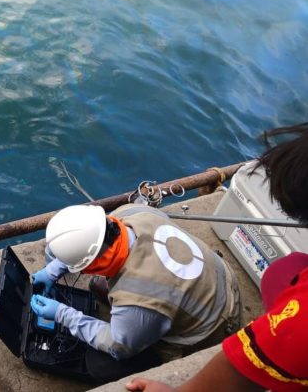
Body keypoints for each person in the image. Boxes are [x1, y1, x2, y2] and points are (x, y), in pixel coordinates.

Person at [126, 122, 308, 392]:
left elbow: (234, 371)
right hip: (227, 298)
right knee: (286, 269)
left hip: (207, 332)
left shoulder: (302, 322)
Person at [30, 202, 241, 381]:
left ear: (90, 265)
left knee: (100, 364)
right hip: (218, 276)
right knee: (99, 286)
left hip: (216, 323)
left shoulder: (144, 295)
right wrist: (51, 271)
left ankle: (155, 357)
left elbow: (118, 346)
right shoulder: (129, 213)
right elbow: (92, 244)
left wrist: (63, 314)